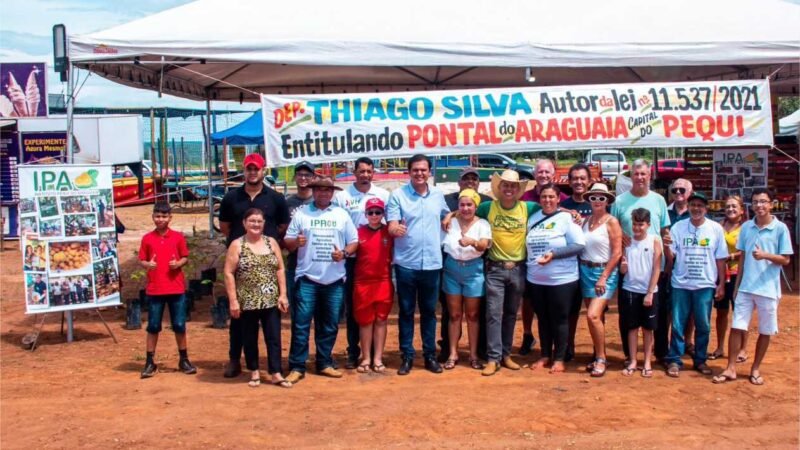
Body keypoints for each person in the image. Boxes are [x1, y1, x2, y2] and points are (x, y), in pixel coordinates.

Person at [219, 153, 290, 378]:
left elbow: (282, 228)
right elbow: (225, 227)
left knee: (271, 325)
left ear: (263, 171)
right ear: (244, 170)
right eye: (249, 169)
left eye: (256, 169)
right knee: (239, 318)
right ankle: (234, 359)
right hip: (242, 265)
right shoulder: (231, 198)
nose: (252, 172)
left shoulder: (276, 198)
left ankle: (274, 368)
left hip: (267, 266)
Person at [713, 188, 793, 386]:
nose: (759, 206)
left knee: (766, 330)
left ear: (771, 204)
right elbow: (743, 260)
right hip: (746, 287)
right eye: (756, 202)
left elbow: (785, 259)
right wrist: (738, 285)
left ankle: (755, 368)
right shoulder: (747, 228)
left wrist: (766, 255)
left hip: (768, 288)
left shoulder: (780, 228)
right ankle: (731, 368)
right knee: (737, 326)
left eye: (763, 201)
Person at [284, 176, 358, 384]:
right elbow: (288, 242)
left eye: (327, 190)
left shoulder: (341, 214)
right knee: (301, 324)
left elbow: (354, 242)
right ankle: (297, 365)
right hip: (307, 278)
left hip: (333, 279)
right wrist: (296, 242)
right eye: (319, 190)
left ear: (332, 193)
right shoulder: (302, 213)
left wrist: (343, 253)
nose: (323, 193)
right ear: (313, 191)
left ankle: (324, 362)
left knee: (329, 324)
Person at [387, 154, 450, 375]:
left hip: (432, 263)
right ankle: (407, 356)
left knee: (429, 312)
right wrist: (395, 229)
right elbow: (392, 225)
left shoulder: (438, 196)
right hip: (406, 264)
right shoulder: (397, 196)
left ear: (429, 172)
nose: (420, 173)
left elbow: (446, 214)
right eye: (415, 170)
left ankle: (430, 355)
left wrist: (447, 218)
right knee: (405, 311)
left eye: (424, 170)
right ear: (409, 172)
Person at [332, 156, 390, 369]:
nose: (365, 174)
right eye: (361, 171)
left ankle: (376, 354)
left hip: (377, 260)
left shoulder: (383, 194)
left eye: (369, 171)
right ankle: (354, 352)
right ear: (354, 172)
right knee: (355, 309)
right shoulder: (343, 196)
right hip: (351, 259)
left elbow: (392, 224)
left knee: (379, 314)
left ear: (373, 172)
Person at [611, 159, 670, 364]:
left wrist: (668, 256)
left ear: (650, 174)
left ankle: (660, 354)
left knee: (657, 314)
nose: (640, 178)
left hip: (654, 267)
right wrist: (620, 236)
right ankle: (631, 355)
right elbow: (613, 229)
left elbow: (664, 230)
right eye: (636, 174)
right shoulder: (620, 201)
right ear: (631, 175)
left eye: (643, 174)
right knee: (628, 315)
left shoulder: (659, 200)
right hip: (629, 267)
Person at [223, 208, 291, 388]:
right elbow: (229, 273)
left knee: (274, 337)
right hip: (247, 300)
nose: (256, 224)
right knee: (249, 337)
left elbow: (280, 269)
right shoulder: (237, 244)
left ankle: (275, 372)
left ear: (264, 224)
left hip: (271, 299)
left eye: (259, 221)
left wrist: (283, 294)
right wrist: (233, 300)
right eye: (252, 221)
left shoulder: (272, 242)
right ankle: (253, 371)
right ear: (244, 223)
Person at [663, 192, 727, 378]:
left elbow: (721, 259)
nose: (696, 209)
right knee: (677, 324)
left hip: (705, 284)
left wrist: (721, 283)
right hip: (681, 283)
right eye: (693, 205)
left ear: (706, 209)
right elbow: (671, 256)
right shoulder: (678, 228)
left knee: (703, 324)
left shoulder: (715, 228)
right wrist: (667, 246)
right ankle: (674, 359)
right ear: (688, 207)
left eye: (700, 206)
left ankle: (700, 359)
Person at [526, 184, 586, 374]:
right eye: (544, 197)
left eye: (551, 197)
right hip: (536, 279)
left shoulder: (566, 219)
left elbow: (579, 245)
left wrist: (554, 254)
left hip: (562, 279)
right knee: (543, 319)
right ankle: (545, 355)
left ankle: (559, 358)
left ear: (558, 198)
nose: (547, 200)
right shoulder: (533, 219)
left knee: (560, 319)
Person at [137, 202, 196, 379]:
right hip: (155, 289)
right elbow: (142, 259)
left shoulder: (177, 237)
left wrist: (178, 263)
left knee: (179, 324)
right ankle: (149, 361)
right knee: (153, 326)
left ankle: (184, 359)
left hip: (175, 287)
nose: (160, 219)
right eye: (157, 216)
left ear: (170, 217)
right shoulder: (147, 238)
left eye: (164, 216)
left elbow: (185, 256)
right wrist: (148, 264)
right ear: (152, 217)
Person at [440, 167, 492, 362]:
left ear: (476, 205)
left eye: (469, 204)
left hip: (474, 270)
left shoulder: (483, 224)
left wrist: (472, 242)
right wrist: (450, 215)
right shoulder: (449, 223)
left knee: (472, 315)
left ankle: (473, 354)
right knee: (453, 314)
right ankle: (452, 353)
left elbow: (484, 246)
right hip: (452, 269)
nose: (466, 208)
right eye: (462, 205)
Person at [519, 159, 568, 356]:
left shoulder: (562, 197)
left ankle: (561, 346)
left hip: (556, 264)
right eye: (540, 172)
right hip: (529, 258)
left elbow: (561, 213)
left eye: (547, 172)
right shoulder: (526, 197)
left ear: (553, 173)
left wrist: (569, 211)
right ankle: (527, 334)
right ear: (534, 174)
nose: (543, 175)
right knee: (528, 300)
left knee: (555, 307)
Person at [579, 183, 621, 377]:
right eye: (594, 197)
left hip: (604, 272)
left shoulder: (611, 221)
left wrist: (604, 277)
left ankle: (602, 359)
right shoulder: (585, 221)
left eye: (601, 198)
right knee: (597, 317)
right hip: (585, 271)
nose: (597, 201)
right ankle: (597, 354)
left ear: (607, 201)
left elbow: (617, 252)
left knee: (592, 316)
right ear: (589, 199)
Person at [619, 208, 662, 378]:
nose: (637, 228)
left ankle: (647, 362)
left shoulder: (654, 241)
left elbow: (657, 269)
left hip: (648, 291)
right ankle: (633, 360)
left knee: (648, 329)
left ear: (648, 225)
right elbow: (623, 268)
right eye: (635, 224)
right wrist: (623, 268)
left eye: (641, 224)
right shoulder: (627, 242)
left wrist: (650, 292)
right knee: (631, 327)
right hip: (630, 289)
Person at [352, 197, 394, 373]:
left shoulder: (389, 232)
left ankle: (377, 357)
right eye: (371, 212)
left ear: (383, 214)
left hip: (383, 280)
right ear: (366, 214)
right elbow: (349, 248)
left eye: (378, 212)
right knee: (365, 321)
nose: (374, 215)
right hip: (363, 282)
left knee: (381, 320)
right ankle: (366, 357)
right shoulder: (358, 232)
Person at [709, 195, 748, 361]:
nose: (731, 209)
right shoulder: (719, 226)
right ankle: (719, 347)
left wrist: (730, 256)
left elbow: (747, 250)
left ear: (741, 210)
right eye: (728, 207)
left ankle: (743, 349)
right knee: (721, 312)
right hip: (721, 275)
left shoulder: (746, 228)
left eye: (734, 207)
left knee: (740, 313)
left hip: (739, 275)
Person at [667, 178, 696, 355]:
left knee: (691, 308)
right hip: (668, 266)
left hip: (690, 265)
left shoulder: (696, 212)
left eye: (682, 190)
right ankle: (670, 341)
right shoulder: (666, 211)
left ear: (690, 192)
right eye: (675, 190)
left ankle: (689, 340)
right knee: (670, 307)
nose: (678, 193)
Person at [284, 161, 316, 312]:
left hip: (317, 262)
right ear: (295, 177)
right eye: (300, 175)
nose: (303, 178)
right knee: (297, 311)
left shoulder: (320, 202)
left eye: (307, 175)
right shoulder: (287, 203)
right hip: (294, 262)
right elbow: (281, 230)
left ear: (313, 177)